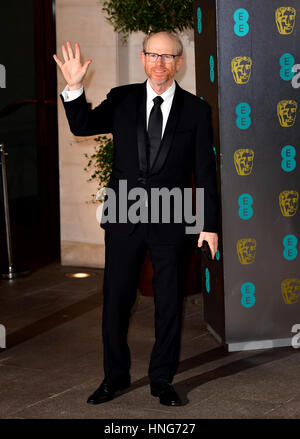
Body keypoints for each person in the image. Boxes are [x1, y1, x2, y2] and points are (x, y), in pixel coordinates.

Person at [53, 31, 219, 407]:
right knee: (116, 299)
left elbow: (205, 172)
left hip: (172, 215)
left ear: (179, 62)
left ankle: (162, 380)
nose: (159, 63)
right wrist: (74, 87)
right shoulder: (122, 98)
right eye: (152, 55)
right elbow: (81, 127)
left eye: (168, 57)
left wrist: (208, 225)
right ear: (143, 58)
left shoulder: (196, 110)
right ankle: (114, 377)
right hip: (124, 212)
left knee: (169, 301)